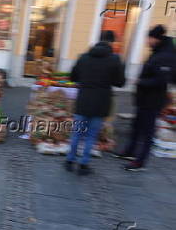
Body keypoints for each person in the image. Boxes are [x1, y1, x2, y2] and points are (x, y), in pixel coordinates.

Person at [114, 25, 176, 171]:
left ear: (156, 38)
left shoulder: (166, 56)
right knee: (136, 127)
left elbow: (161, 81)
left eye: (149, 38)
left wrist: (140, 81)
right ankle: (130, 152)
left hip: (153, 101)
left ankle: (140, 162)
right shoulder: (158, 52)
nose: (147, 41)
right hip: (144, 99)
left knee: (147, 132)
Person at [65, 31, 125, 175]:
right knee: (91, 136)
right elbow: (120, 82)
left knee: (77, 134)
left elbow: (73, 77)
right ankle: (83, 165)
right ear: (112, 42)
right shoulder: (115, 59)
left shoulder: (84, 57)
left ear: (99, 40)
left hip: (83, 101)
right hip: (101, 103)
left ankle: (69, 160)